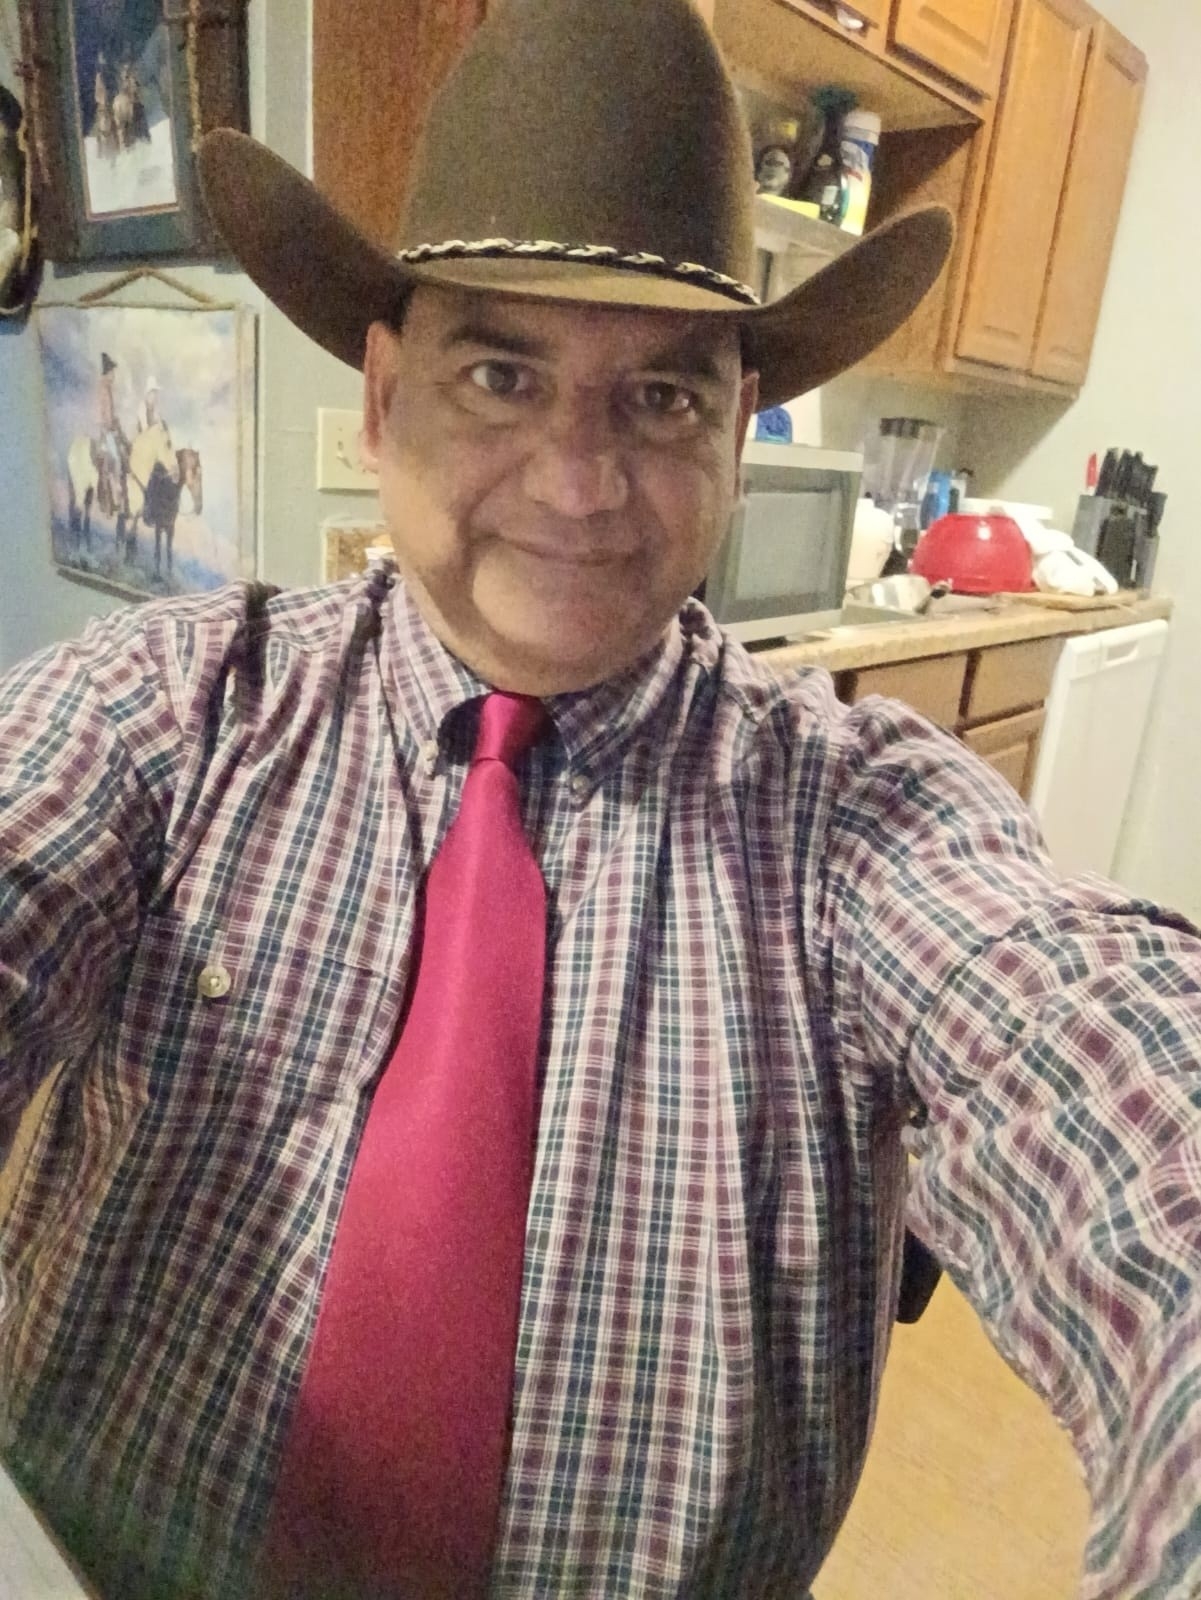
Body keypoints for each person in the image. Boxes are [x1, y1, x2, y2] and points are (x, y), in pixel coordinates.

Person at [1, 2, 1198, 1598]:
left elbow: (1103, 1070)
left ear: (735, 438)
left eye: (662, 399)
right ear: (383, 398)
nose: (576, 483)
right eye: (500, 374)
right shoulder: (174, 705)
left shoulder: (861, 825)